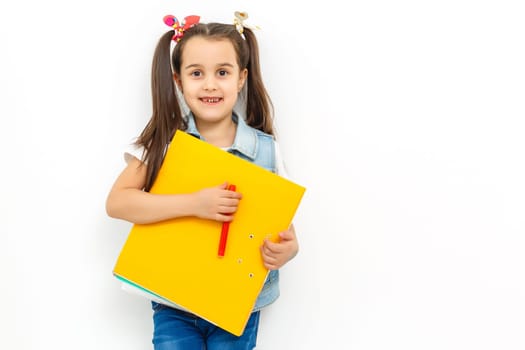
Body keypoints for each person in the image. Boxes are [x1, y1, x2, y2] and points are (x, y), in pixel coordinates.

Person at [105, 12, 299, 350]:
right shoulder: (162, 144)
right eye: (197, 73)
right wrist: (196, 203)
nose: (210, 84)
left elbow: (283, 227)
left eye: (222, 73)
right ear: (179, 81)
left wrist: (287, 250)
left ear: (241, 79)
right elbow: (118, 203)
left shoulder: (266, 149)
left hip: (236, 305)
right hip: (173, 301)